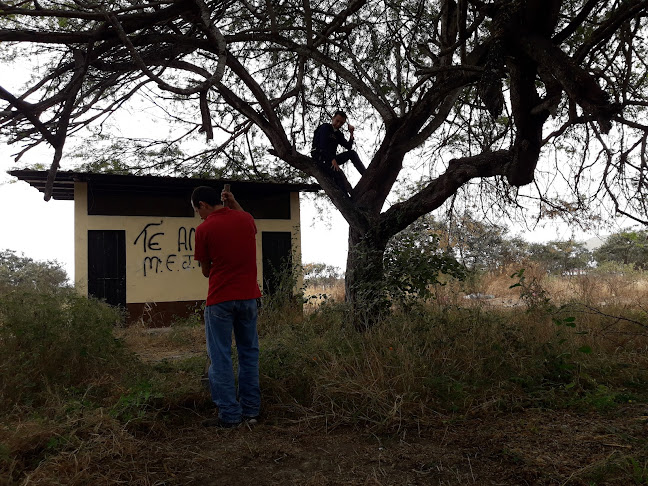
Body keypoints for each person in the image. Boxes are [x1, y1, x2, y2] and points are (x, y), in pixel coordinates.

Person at [192, 185, 262, 428]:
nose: (198, 215)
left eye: (197, 210)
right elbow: (248, 224)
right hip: (248, 297)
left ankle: (230, 415)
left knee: (220, 356)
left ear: (203, 204)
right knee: (249, 353)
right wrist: (234, 202)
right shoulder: (246, 219)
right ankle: (251, 411)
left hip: (220, 299)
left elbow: (206, 271)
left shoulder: (204, 229)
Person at [312, 110, 367, 177]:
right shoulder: (325, 127)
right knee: (338, 177)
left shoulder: (338, 134)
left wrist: (351, 133)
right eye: (337, 121)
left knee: (352, 153)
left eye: (341, 123)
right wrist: (332, 159)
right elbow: (323, 146)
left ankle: (365, 174)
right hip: (320, 156)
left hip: (332, 159)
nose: (338, 124)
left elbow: (348, 147)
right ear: (333, 118)